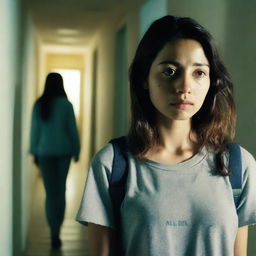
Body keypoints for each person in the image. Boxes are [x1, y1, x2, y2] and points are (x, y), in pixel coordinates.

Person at [76, 15, 256, 255]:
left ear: (212, 81)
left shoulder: (237, 165)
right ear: (144, 78)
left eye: (199, 73)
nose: (184, 86)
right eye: (170, 71)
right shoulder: (113, 164)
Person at [30, 72, 80, 250]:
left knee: (50, 194)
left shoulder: (39, 104)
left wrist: (34, 151)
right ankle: (57, 230)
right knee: (60, 191)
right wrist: (77, 150)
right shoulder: (66, 105)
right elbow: (72, 130)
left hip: (44, 153)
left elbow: (34, 131)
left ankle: (53, 232)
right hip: (63, 153)